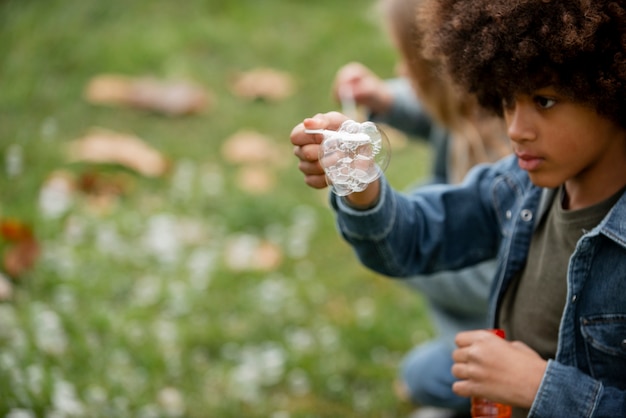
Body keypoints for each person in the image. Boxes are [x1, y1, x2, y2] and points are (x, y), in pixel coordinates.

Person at [290, 0, 626, 416]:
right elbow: (410, 241)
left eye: (544, 101)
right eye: (505, 101)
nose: (516, 130)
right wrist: (361, 181)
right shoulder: (517, 187)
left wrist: (538, 386)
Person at [330, 0, 509, 416]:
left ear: (441, 71)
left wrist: (411, 259)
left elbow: (489, 285)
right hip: (476, 331)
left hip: (504, 333)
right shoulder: (471, 113)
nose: (400, 71)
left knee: (421, 376)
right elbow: (437, 114)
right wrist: (385, 101)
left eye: (407, 61)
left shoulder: (506, 154)